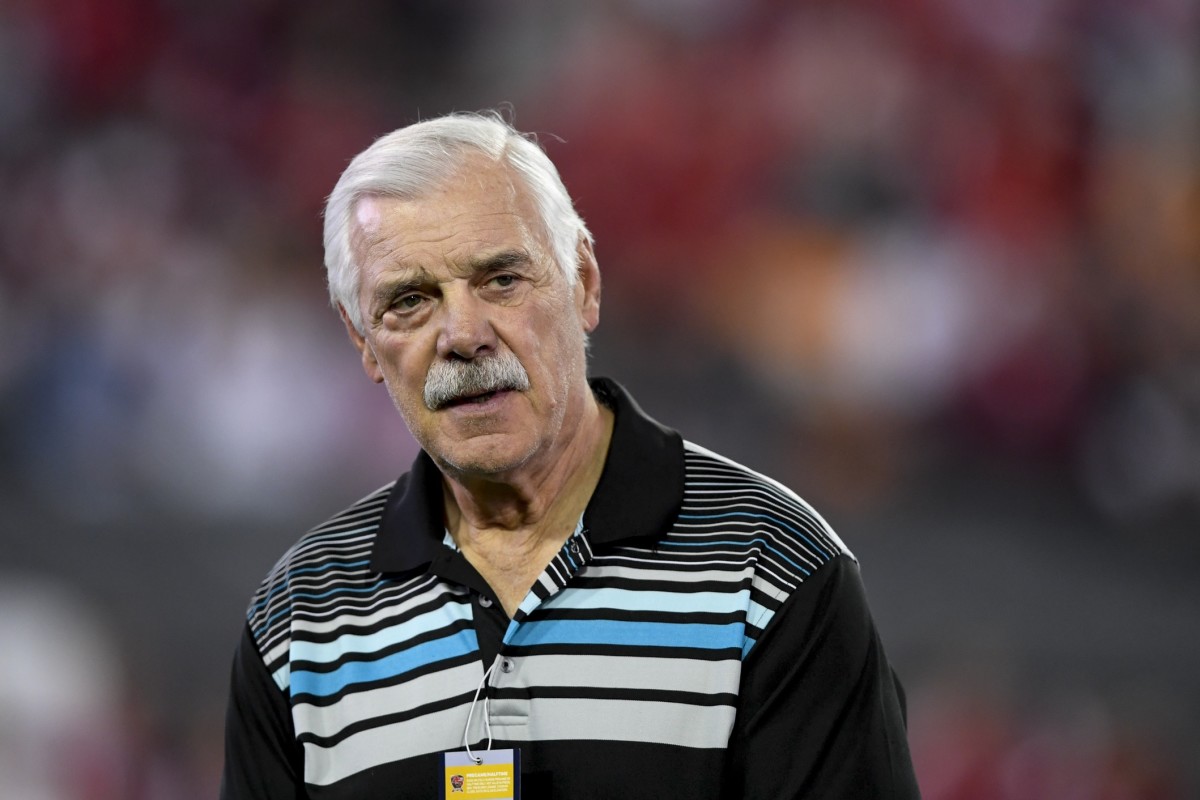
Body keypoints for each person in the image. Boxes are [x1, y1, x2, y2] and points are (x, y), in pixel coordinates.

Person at [221, 111, 921, 799]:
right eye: (409, 300)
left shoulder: (769, 568)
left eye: (501, 280)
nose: (462, 335)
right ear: (362, 341)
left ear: (584, 281)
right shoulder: (300, 622)